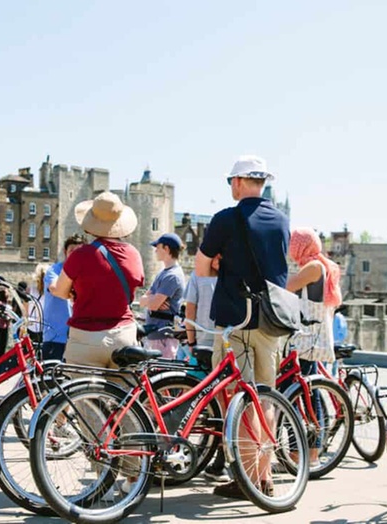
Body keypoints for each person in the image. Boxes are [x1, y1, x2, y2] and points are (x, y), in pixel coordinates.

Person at [195, 155, 289, 500]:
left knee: (239, 397)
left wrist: (222, 265)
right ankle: (265, 476)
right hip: (272, 321)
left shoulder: (225, 220)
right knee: (266, 398)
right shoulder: (281, 220)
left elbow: (202, 269)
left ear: (236, 183)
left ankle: (248, 479)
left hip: (237, 319)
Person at [51, 191, 144, 497]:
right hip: (124, 335)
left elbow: (61, 292)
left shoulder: (80, 256)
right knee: (127, 406)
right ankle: (133, 476)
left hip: (85, 338)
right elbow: (133, 286)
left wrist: (72, 290)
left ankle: (103, 473)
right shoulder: (133, 254)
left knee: (86, 403)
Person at [286, 227, 343, 466]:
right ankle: (310, 453)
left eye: (292, 244)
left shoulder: (312, 267)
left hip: (308, 337)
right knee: (310, 393)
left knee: (299, 394)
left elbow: (286, 287)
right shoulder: (320, 264)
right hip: (312, 335)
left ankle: (305, 453)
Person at [183, 253, 227, 482]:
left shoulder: (197, 277)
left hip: (202, 343)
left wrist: (191, 341)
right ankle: (216, 457)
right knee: (221, 402)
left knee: (200, 400)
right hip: (223, 343)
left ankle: (203, 452)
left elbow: (190, 310)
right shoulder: (228, 278)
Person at [139, 233, 185, 359]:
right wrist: (151, 300)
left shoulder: (172, 276)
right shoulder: (164, 273)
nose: (155, 251)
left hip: (163, 337)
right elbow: (142, 300)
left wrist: (151, 301)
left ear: (166, 249)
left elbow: (153, 305)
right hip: (156, 335)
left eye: (158, 247)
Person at [42, 234, 86, 361]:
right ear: (65, 252)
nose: (75, 255)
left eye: (79, 252)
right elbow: (54, 288)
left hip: (80, 338)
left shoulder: (86, 273)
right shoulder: (55, 270)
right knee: (51, 379)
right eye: (72, 251)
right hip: (56, 337)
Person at [0, 289, 12, 359]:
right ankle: (0, 356)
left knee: (2, 341)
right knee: (2, 342)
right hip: (3, 325)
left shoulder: (1, 304)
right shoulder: (1, 304)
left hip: (2, 325)